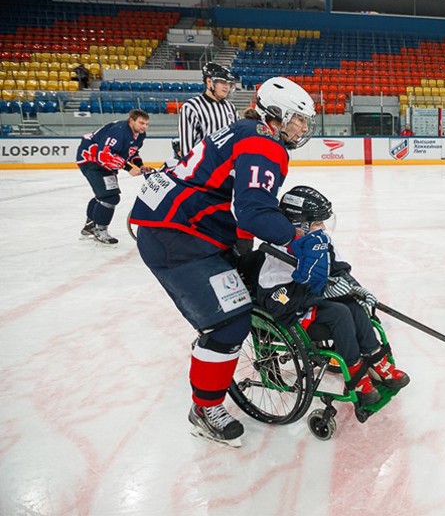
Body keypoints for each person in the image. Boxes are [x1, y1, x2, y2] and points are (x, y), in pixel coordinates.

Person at [130, 76, 316, 447]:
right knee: (230, 324)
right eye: (298, 119)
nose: (303, 127)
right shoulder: (265, 144)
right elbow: (252, 211)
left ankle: (220, 350)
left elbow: (236, 202)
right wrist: (297, 240)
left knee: (251, 286)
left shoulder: (247, 130)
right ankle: (205, 407)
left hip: (185, 225)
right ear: (276, 115)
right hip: (177, 236)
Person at [254, 185, 410, 406]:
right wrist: (319, 295)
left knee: (354, 305)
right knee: (339, 312)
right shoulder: (278, 251)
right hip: (287, 304)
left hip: (312, 298)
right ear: (299, 225)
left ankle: (376, 359)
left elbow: (338, 270)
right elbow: (278, 297)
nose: (323, 227)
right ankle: (356, 373)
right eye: (318, 223)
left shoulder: (318, 241)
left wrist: (356, 288)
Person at [76, 108, 152, 245]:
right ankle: (100, 231)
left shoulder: (140, 134)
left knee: (104, 194)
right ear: (131, 121)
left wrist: (140, 165)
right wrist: (128, 168)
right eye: (141, 123)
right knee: (110, 197)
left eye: (146, 124)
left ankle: (90, 226)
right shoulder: (119, 131)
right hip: (92, 160)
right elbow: (103, 155)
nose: (144, 127)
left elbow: (131, 152)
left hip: (103, 162)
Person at [177, 62, 239, 158]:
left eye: (229, 83)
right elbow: (187, 149)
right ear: (209, 82)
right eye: (222, 82)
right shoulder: (191, 107)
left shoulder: (231, 108)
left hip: (227, 168)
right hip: (203, 168)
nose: (226, 87)